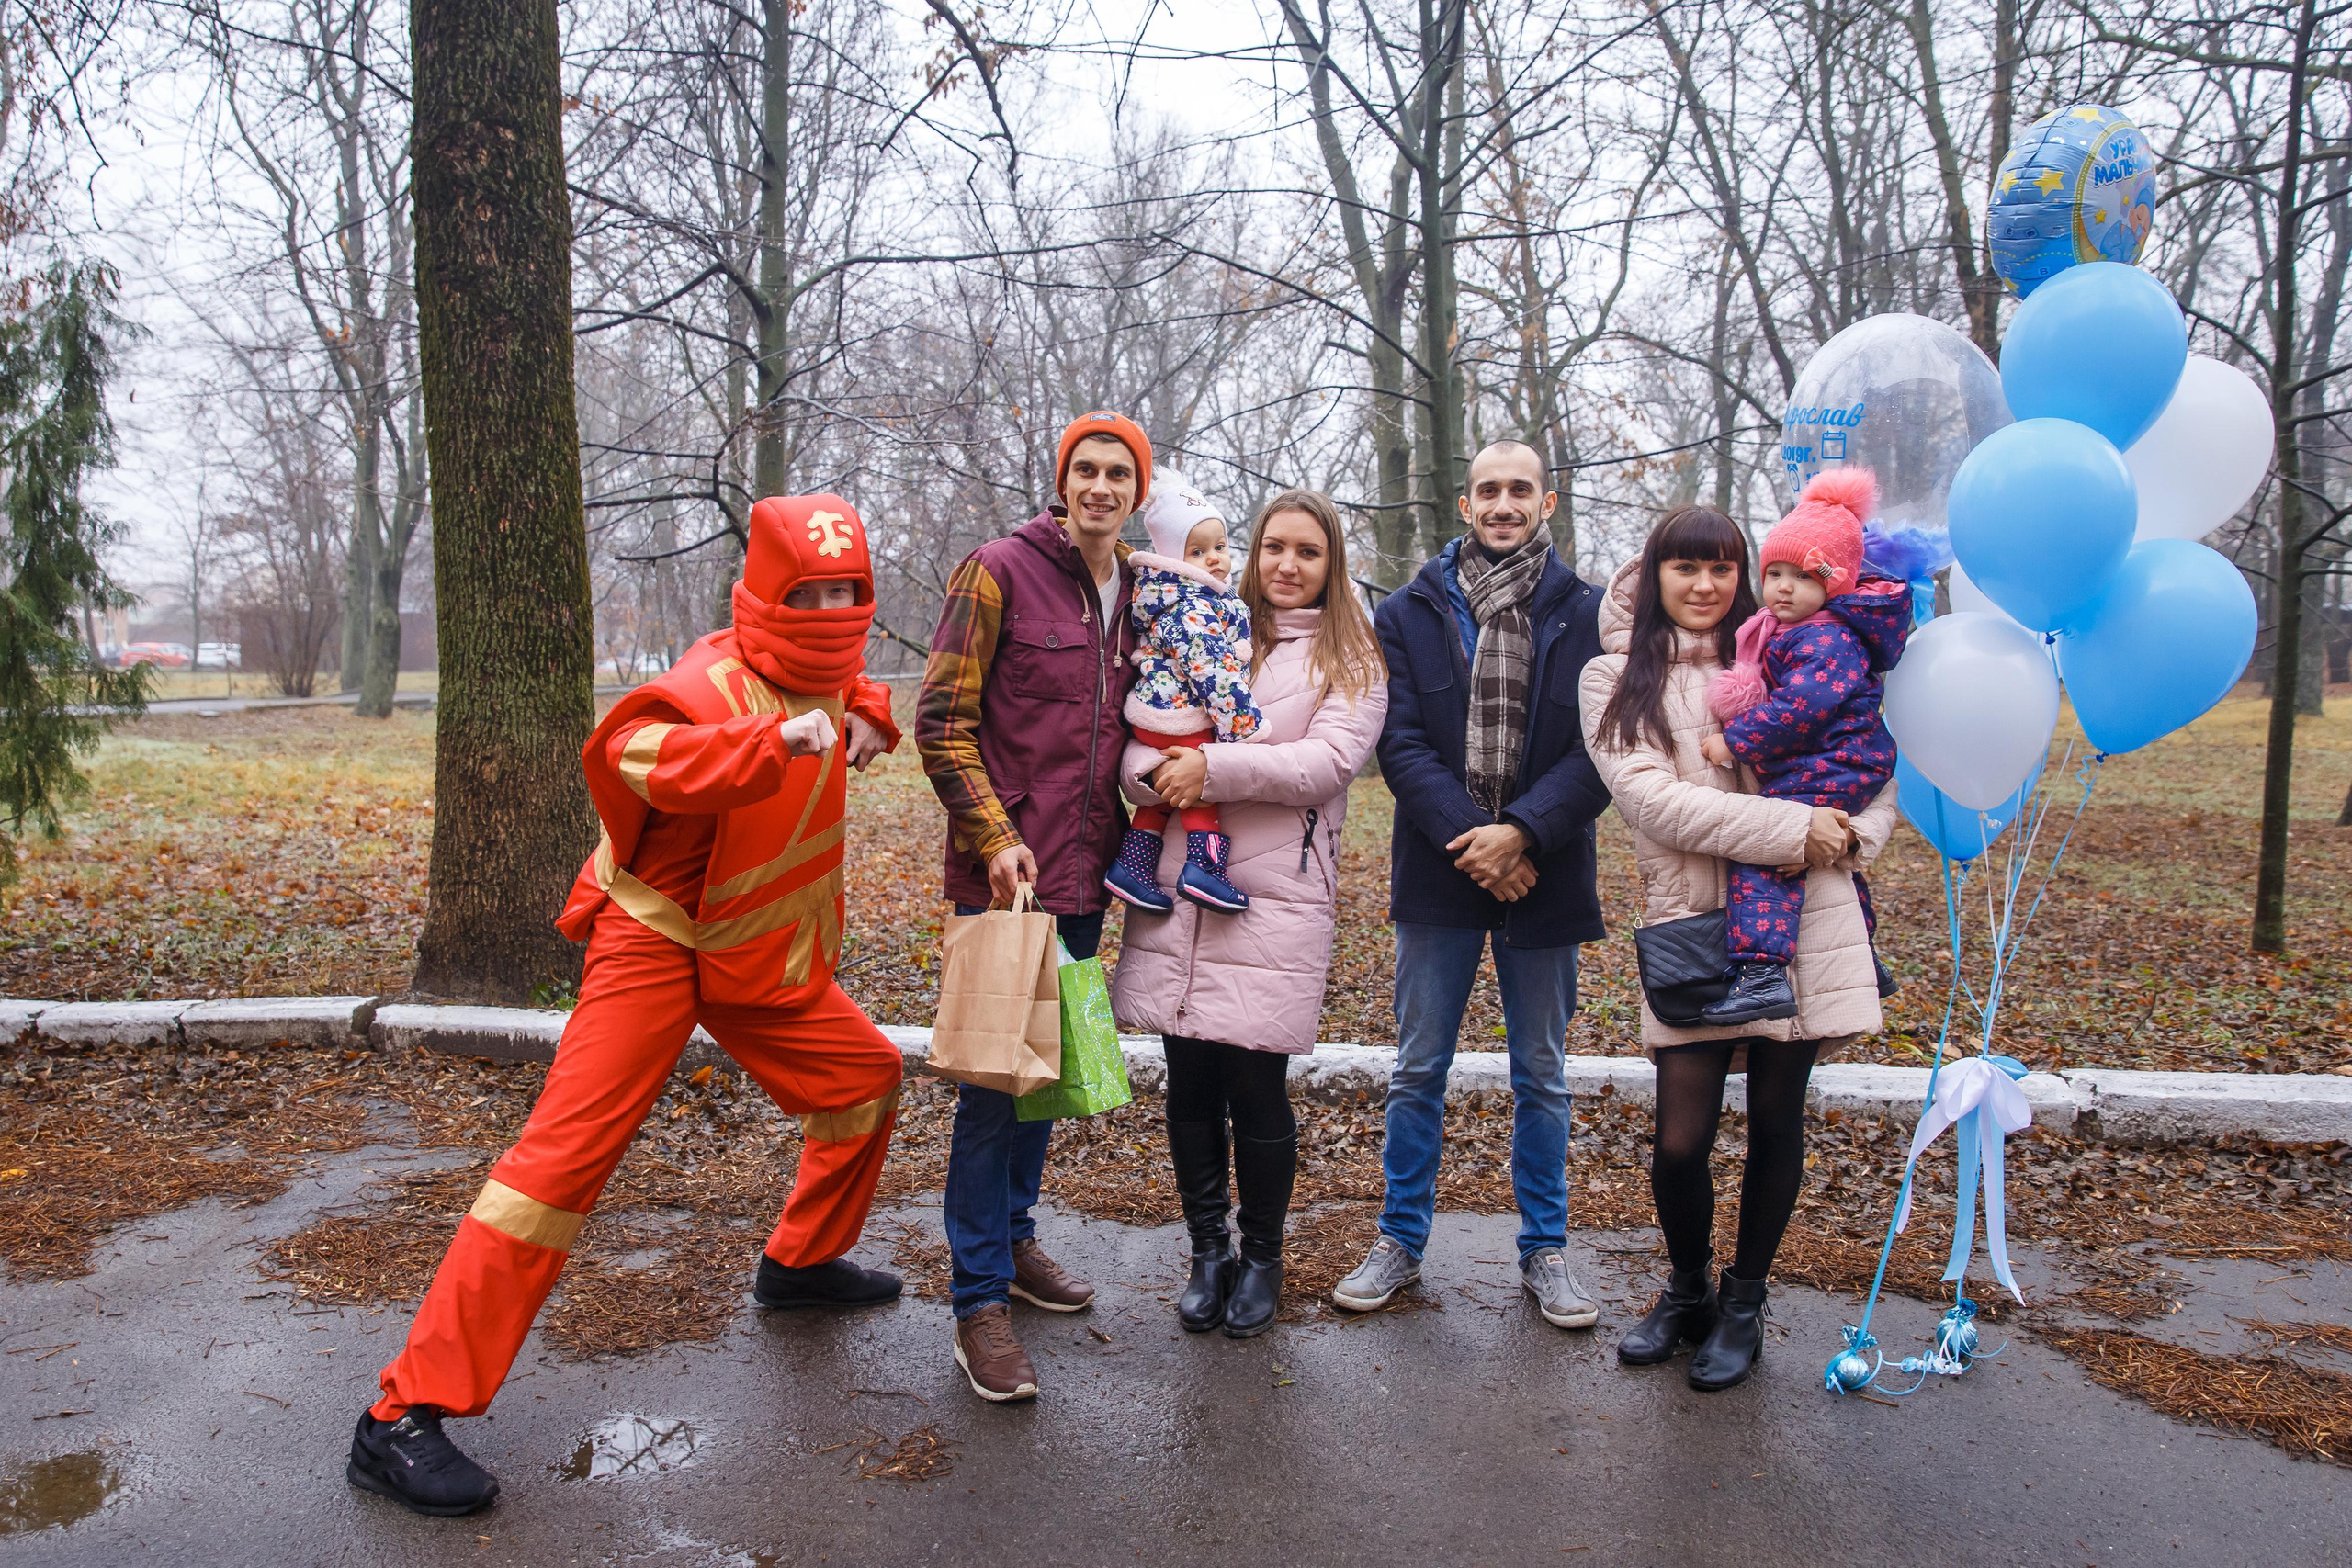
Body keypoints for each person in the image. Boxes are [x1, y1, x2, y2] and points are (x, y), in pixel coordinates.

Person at [348, 494, 907, 1517]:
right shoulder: (702, 688)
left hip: (748, 952)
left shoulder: (816, 675)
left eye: (847, 595)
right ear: (765, 595)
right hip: (650, 940)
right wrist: (775, 746)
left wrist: (868, 711)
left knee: (864, 1079)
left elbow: (840, 680)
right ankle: (401, 1415)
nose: (829, 612)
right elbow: (637, 756)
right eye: (809, 595)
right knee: (556, 1169)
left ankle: (802, 1261)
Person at [1579, 504, 1898, 1392]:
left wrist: (1856, 837)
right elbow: (1658, 805)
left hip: (1805, 925)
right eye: (1686, 568)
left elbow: (1871, 767)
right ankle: (1686, 1290)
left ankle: (1745, 1300)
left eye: (1723, 567)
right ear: (1654, 579)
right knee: (1680, 1140)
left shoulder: (1792, 648)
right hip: (1694, 929)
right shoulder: (1615, 677)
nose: (1706, 585)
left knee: (1774, 1125)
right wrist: (1802, 828)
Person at [1331, 440, 1613, 1330]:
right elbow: (1400, 746)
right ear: (1464, 504)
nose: (1502, 504)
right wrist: (1478, 840)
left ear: (1547, 502)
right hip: (1443, 874)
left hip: (1547, 871)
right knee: (1418, 1071)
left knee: (1543, 1074)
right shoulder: (1408, 612)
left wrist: (1524, 832)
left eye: (1518, 490)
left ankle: (1546, 1251)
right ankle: (1399, 1244)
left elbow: (1601, 749)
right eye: (1487, 489)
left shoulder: (1591, 613)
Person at [1110, 490, 1387, 1337]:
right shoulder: (1204, 625)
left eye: (1307, 551)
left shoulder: (1352, 657)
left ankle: (1262, 1255)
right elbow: (1142, 728)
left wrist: (1213, 770)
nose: (1286, 565)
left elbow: (1326, 763)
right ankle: (1207, 1250)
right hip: (1174, 886)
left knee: (1258, 1084)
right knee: (1188, 1079)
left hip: (1274, 896)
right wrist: (1149, 774)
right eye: (1273, 547)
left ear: (1330, 562)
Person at [916, 411, 1147, 1402]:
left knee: (1046, 1077)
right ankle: (976, 1302)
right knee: (992, 1090)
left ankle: (1013, 1242)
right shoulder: (996, 571)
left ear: (1138, 490)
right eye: (1085, 470)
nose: (1100, 487)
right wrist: (991, 835)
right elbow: (939, 721)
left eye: (1118, 473)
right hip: (1007, 881)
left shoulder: (1138, 591)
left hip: (1088, 876)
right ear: (1062, 482)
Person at [1698, 468, 1908, 1025]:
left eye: (1804, 576)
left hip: (1840, 761)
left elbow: (1802, 707)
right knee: (1817, 860)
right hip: (1839, 760)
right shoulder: (1787, 629)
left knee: (1767, 845)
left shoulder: (1827, 636)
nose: (1784, 587)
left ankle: (1761, 972)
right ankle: (1866, 959)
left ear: (1835, 585)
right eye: (1775, 573)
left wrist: (1736, 742)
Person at [1102, 468, 1264, 915]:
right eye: (1198, 551)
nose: (1214, 559)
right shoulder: (1191, 604)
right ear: (1174, 556)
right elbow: (1210, 670)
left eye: (1220, 547)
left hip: (1160, 711)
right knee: (1199, 785)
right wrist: (1242, 728)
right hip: (1177, 713)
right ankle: (1205, 870)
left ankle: (1132, 868)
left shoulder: (1190, 595)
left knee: (1167, 793)